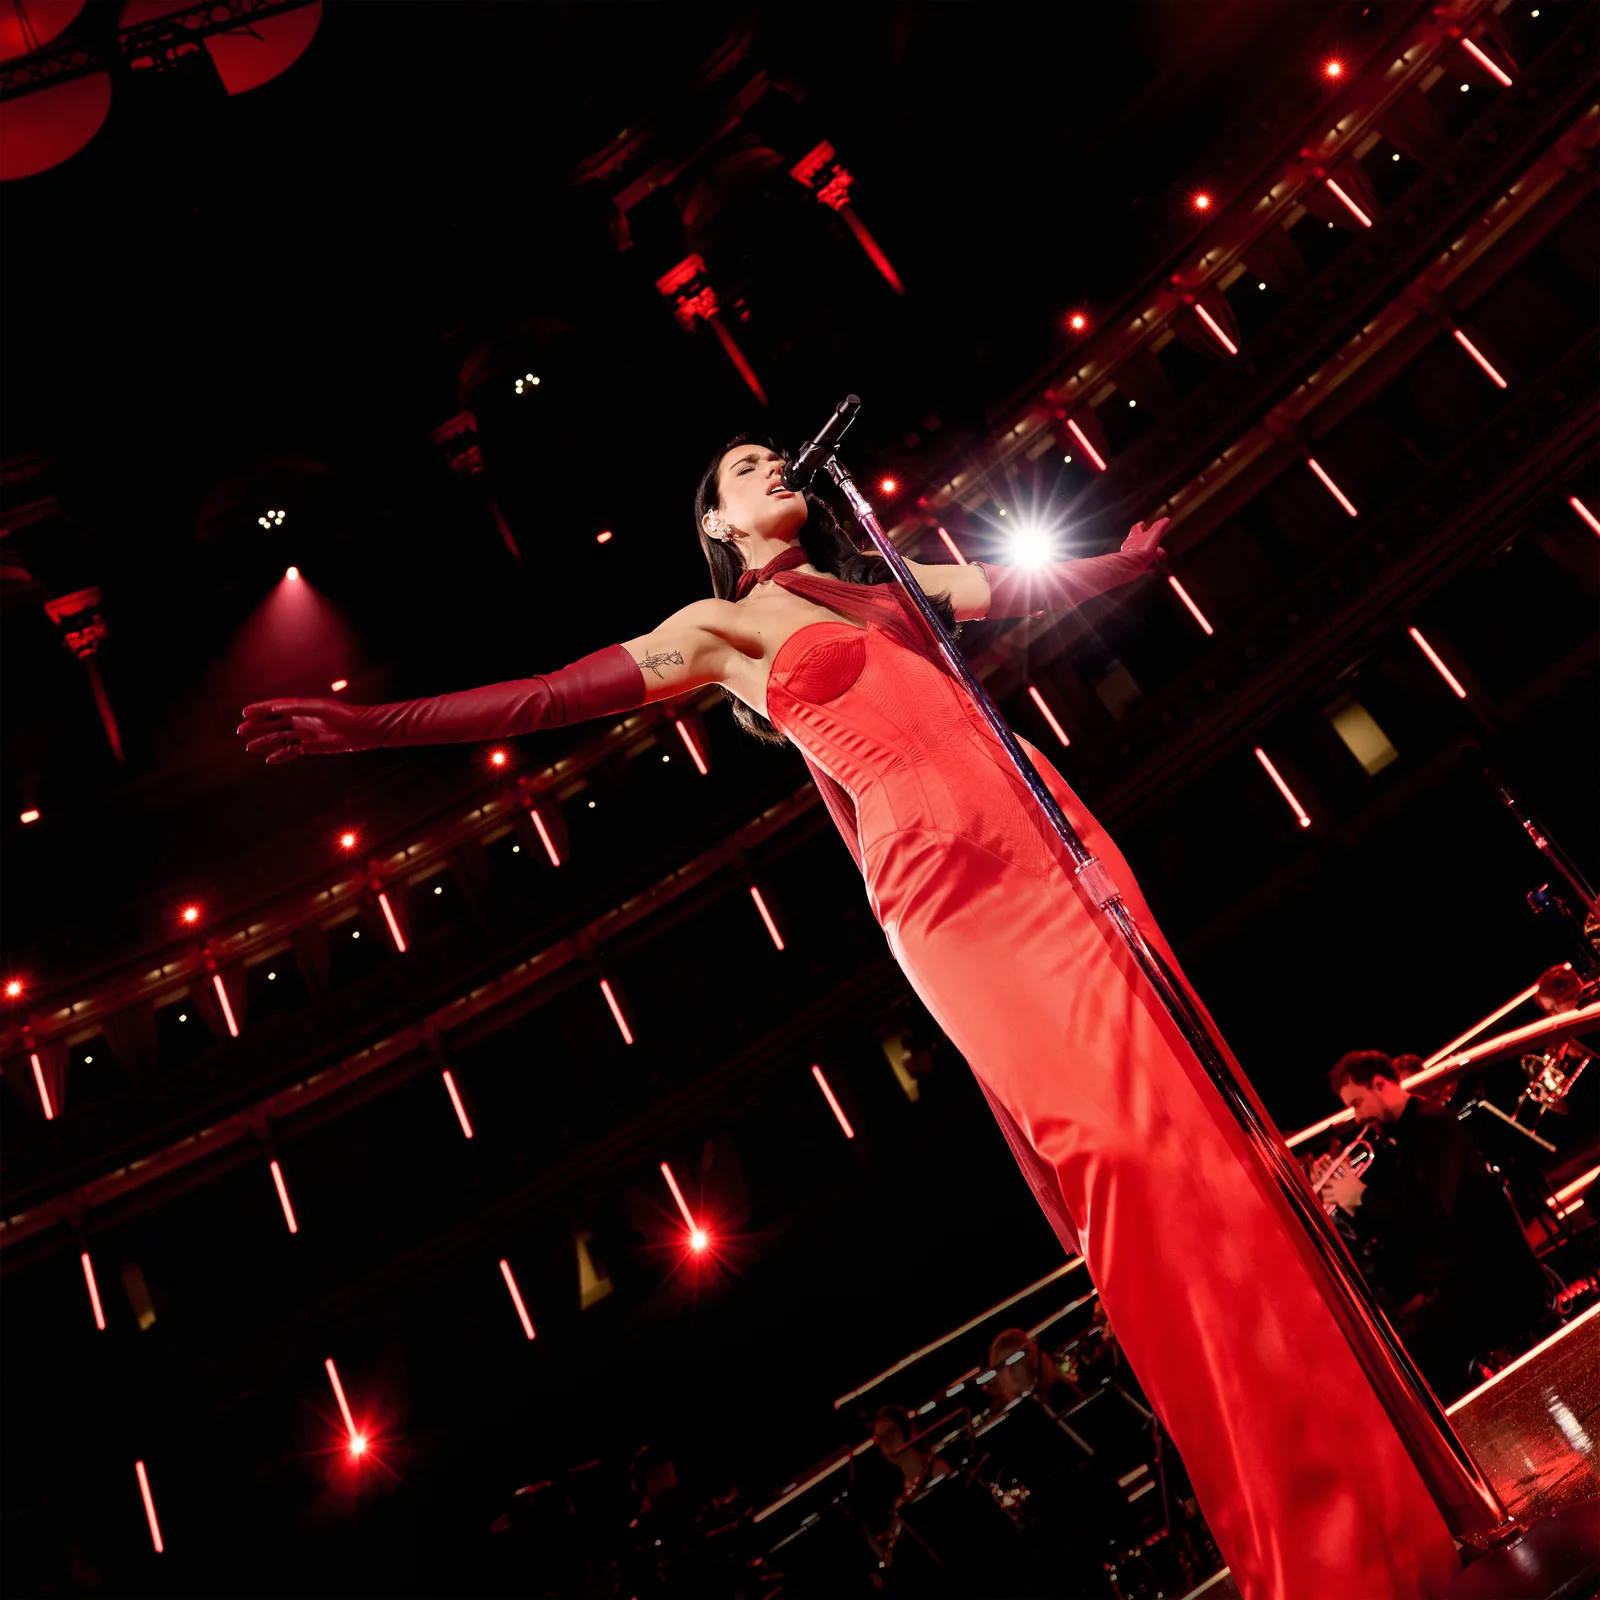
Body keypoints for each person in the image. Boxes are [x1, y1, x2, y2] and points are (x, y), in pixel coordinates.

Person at [238, 433, 1461, 1598]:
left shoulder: (879, 579)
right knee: (1119, 1161)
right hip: (947, 895)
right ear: (716, 521)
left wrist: (1127, 566)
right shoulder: (714, 627)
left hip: (1046, 842)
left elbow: (1014, 589)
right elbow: (551, 696)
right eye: (740, 466)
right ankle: (1306, 1539)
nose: (770, 462)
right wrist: (368, 727)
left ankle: (1379, 1492)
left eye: (774, 453)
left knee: (1192, 1143)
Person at [1325, 1050, 1551, 1393]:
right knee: (1397, 1345)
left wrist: (1357, 1197)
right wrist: (1348, 1202)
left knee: (1406, 1361)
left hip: (1493, 1282)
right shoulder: (1404, 1138)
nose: (1358, 1117)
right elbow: (1400, 1222)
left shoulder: (1431, 1125)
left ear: (1380, 1085)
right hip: (1464, 1283)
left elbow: (1429, 1212)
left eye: (1358, 1103)